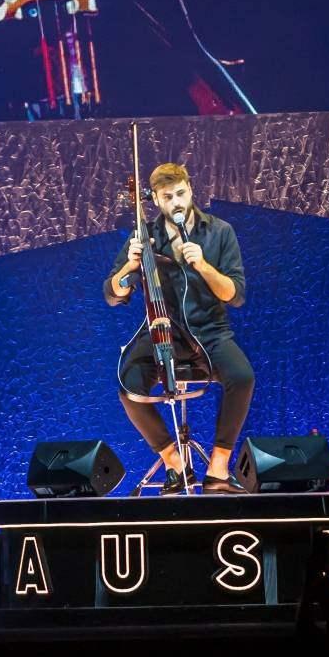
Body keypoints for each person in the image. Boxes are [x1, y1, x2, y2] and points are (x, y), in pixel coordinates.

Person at [104, 162, 253, 494]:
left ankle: (218, 468)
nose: (177, 202)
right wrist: (130, 264)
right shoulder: (143, 236)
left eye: (182, 193)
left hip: (210, 331)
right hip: (160, 330)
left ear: (191, 190)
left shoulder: (219, 232)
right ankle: (175, 464)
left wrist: (203, 264)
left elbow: (235, 295)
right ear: (156, 200)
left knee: (242, 377)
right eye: (168, 196)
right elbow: (113, 294)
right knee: (129, 387)